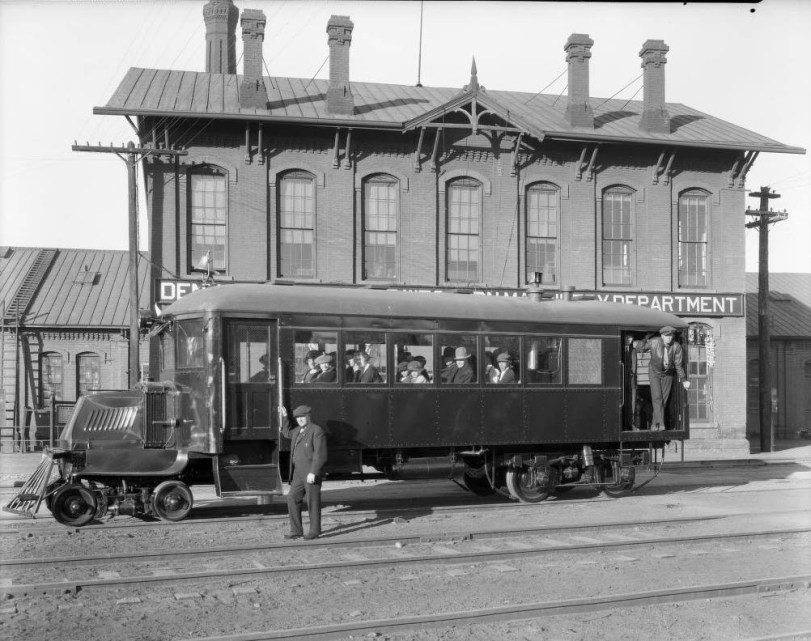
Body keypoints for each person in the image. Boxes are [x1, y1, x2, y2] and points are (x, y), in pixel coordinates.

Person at [279, 405, 327, 540]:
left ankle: (314, 531)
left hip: (310, 472)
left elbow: (320, 454)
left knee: (313, 502)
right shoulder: (297, 431)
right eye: (298, 418)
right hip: (298, 473)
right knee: (292, 498)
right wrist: (284, 417)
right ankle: (296, 530)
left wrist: (314, 472)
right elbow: (286, 433)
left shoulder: (316, 431)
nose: (300, 420)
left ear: (308, 417)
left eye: (302, 417)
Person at [635, 326, 690, 430]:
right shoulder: (654, 342)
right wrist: (645, 338)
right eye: (666, 336)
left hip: (668, 373)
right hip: (654, 372)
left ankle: (654, 424)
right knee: (657, 397)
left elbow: (678, 365)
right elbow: (639, 349)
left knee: (663, 399)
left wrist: (684, 380)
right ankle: (660, 424)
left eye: (671, 336)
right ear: (662, 336)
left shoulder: (676, 347)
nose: (669, 338)